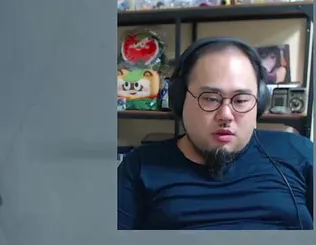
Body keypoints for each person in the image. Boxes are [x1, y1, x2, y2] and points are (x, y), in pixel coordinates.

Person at [118, 38, 314, 230]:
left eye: (241, 100)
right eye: (210, 99)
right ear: (180, 99)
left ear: (259, 102)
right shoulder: (140, 166)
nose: (226, 115)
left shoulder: (300, 152)